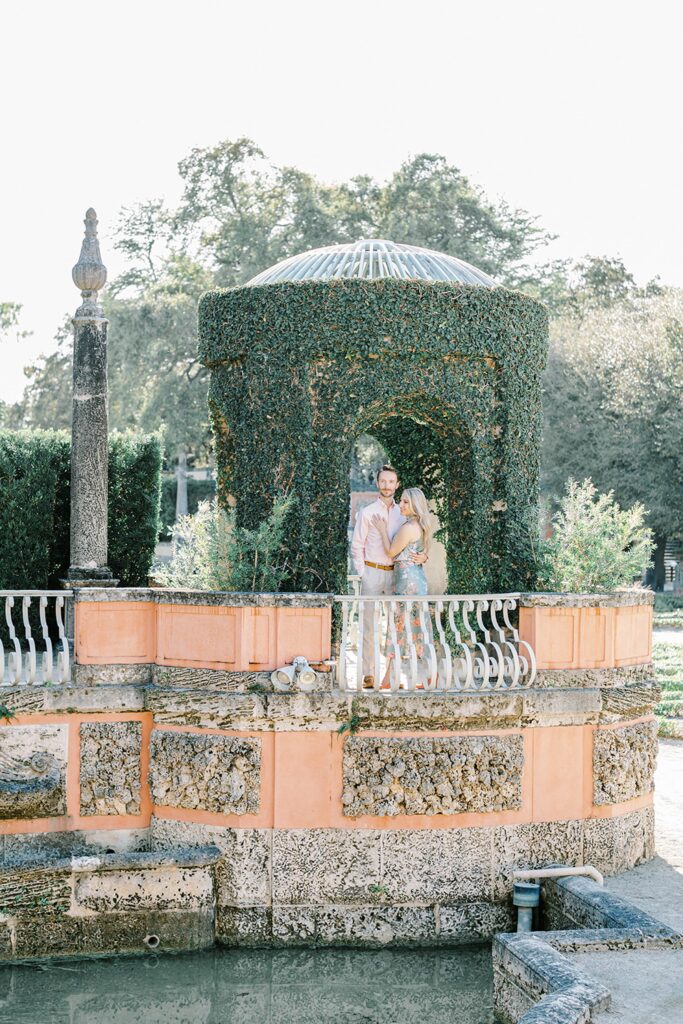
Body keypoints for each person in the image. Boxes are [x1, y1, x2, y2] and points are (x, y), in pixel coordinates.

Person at [350, 466, 427, 686]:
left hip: (397, 575)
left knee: (396, 627)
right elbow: (357, 546)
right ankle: (369, 674)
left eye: (391, 482)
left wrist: (424, 556)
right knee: (369, 626)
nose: (386, 486)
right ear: (377, 483)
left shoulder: (402, 512)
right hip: (373, 572)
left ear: (397, 484)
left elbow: (413, 540)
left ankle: (393, 676)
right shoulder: (367, 513)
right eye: (383, 481)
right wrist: (364, 574)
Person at [372, 487, 434, 687]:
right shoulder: (420, 526)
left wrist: (382, 530)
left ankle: (390, 678)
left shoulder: (409, 528)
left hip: (407, 582)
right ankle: (427, 677)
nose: (401, 504)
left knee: (400, 628)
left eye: (406, 501)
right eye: (402, 501)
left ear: (416, 504)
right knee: (418, 629)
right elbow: (422, 552)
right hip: (415, 580)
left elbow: (391, 552)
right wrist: (424, 557)